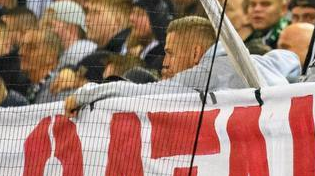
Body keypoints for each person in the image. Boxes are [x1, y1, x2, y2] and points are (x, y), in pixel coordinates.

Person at [65, 17, 299, 113]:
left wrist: (88, 93)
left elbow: (147, 93)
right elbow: (291, 61)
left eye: (170, 53)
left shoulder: (208, 71)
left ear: (196, 52)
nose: (165, 62)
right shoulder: (255, 60)